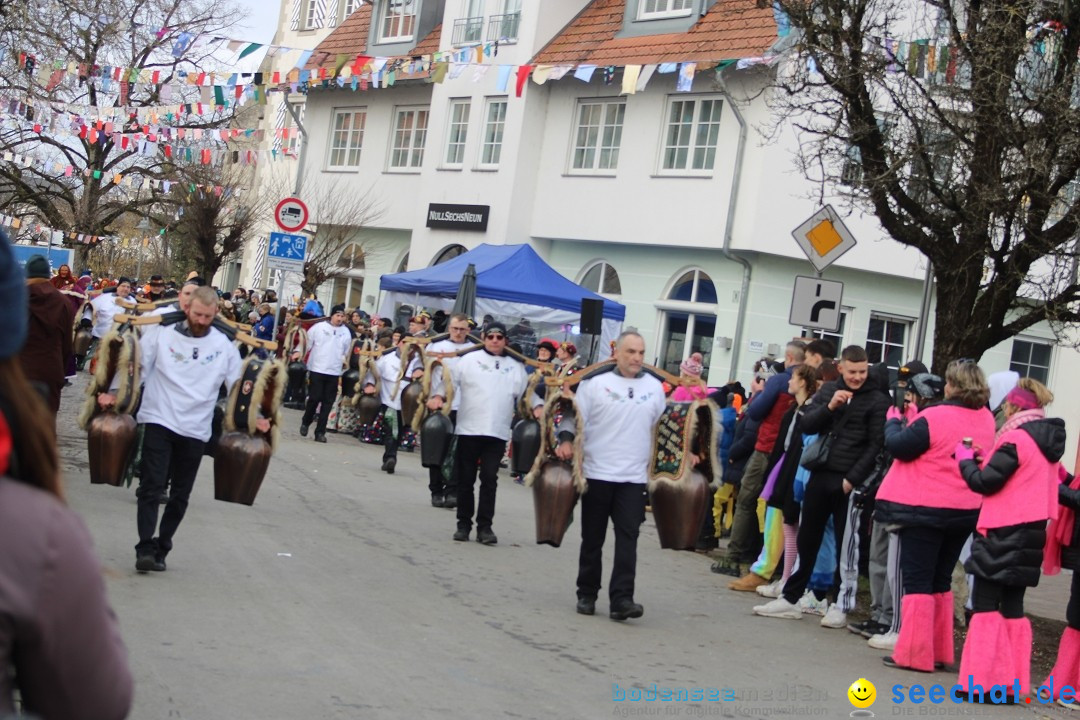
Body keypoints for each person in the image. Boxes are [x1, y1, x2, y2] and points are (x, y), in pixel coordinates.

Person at [0, 234, 134, 720]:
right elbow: (95, 702)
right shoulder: (33, 532)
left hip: (24, 366)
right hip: (44, 373)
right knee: (41, 434)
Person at [97, 286, 252, 572]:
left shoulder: (224, 345)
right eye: (197, 314)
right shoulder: (162, 332)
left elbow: (237, 389)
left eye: (207, 315)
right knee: (152, 485)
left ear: (216, 312)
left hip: (195, 428)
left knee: (181, 494)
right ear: (187, 309)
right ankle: (144, 547)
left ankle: (162, 547)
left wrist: (257, 418)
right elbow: (138, 370)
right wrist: (115, 396)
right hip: (159, 417)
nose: (201, 320)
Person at [856, 362, 994, 671]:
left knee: (917, 582)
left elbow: (899, 447)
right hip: (965, 508)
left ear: (953, 386)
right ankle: (939, 650)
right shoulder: (985, 418)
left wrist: (893, 422)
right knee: (940, 580)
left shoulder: (935, 415)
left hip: (923, 507)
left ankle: (915, 653)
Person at [754, 344, 889, 621]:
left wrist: (852, 480)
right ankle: (791, 597)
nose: (857, 377)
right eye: (852, 371)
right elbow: (807, 425)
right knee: (808, 539)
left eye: (862, 371)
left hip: (848, 481)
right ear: (840, 368)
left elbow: (877, 444)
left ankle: (841, 604)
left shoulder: (878, 400)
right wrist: (830, 406)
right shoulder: (828, 391)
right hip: (820, 472)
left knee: (845, 546)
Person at [955, 378, 1063, 700]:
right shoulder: (1048, 441)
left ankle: (982, 683)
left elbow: (986, 483)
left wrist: (963, 460)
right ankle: (1011, 683)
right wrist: (981, 460)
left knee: (986, 606)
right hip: (1031, 532)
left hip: (1002, 530)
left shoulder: (1015, 438)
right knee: (1014, 607)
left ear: (1014, 406)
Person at [552, 331, 666, 621]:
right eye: (631, 352)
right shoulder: (595, 384)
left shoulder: (655, 388)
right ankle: (587, 593)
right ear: (616, 353)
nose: (637, 358)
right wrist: (565, 439)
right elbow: (572, 417)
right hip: (597, 472)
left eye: (641, 352)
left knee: (629, 538)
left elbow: (663, 429)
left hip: (633, 478)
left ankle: (622, 599)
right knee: (593, 537)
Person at [428, 321, 539, 545]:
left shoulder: (515, 366)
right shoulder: (468, 360)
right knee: (466, 480)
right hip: (469, 428)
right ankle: (463, 525)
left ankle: (485, 527)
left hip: (497, 432)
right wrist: (439, 396)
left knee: (489, 479)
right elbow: (449, 383)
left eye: (500, 337)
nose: (495, 340)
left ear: (505, 340)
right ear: (484, 338)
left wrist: (538, 406)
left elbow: (528, 392)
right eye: (491, 337)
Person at [730, 364, 821, 593]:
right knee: (775, 515)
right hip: (783, 463)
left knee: (786, 521)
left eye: (793, 378)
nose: (788, 381)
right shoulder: (792, 409)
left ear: (802, 382)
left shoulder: (809, 411)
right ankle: (770, 572)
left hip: (794, 467)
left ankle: (771, 573)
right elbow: (784, 442)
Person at [717, 342, 804, 577]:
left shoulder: (778, 381)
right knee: (775, 508)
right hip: (789, 453)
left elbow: (755, 411)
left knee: (747, 499)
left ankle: (734, 556)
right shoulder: (807, 383)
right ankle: (773, 562)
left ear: (788, 357)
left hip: (766, 448)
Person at [424, 313, 474, 506]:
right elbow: (428, 373)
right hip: (439, 404)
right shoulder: (436, 346)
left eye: (462, 329)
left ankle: (452, 490)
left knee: (458, 451)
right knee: (437, 449)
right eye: (455, 328)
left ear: (468, 330)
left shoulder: (473, 350)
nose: (458, 332)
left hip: (464, 406)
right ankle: (435, 490)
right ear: (449, 329)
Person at [20, 255, 75, 414]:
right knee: (44, 423)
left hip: (18, 371)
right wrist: (62, 370)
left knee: (15, 425)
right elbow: (67, 345)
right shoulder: (63, 302)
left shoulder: (15, 297)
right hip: (50, 369)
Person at [363, 338, 422, 474]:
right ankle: (391, 458)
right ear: (399, 343)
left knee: (400, 431)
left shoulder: (417, 360)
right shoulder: (386, 358)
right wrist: (370, 385)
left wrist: (419, 372)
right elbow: (373, 373)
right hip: (389, 400)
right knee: (391, 429)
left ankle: (389, 455)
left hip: (408, 404)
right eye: (404, 343)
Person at [298, 305, 352, 443]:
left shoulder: (345, 332)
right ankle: (306, 421)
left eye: (342, 316)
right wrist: (298, 352)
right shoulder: (319, 327)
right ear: (332, 316)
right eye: (337, 316)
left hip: (334, 371)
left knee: (328, 402)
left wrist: (343, 363)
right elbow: (307, 343)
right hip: (317, 367)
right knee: (314, 398)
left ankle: (320, 432)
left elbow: (346, 351)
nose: (340, 319)